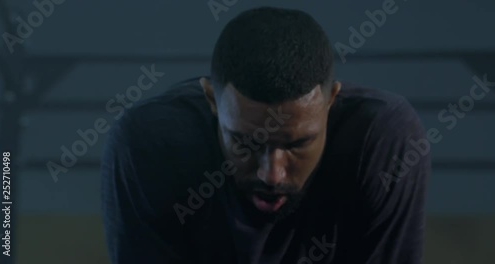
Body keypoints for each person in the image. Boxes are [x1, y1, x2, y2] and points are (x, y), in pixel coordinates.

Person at [101, 6, 430, 264]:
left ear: (331, 101)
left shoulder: (383, 142)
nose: (271, 174)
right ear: (212, 100)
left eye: (298, 143)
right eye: (245, 142)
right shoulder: (147, 147)